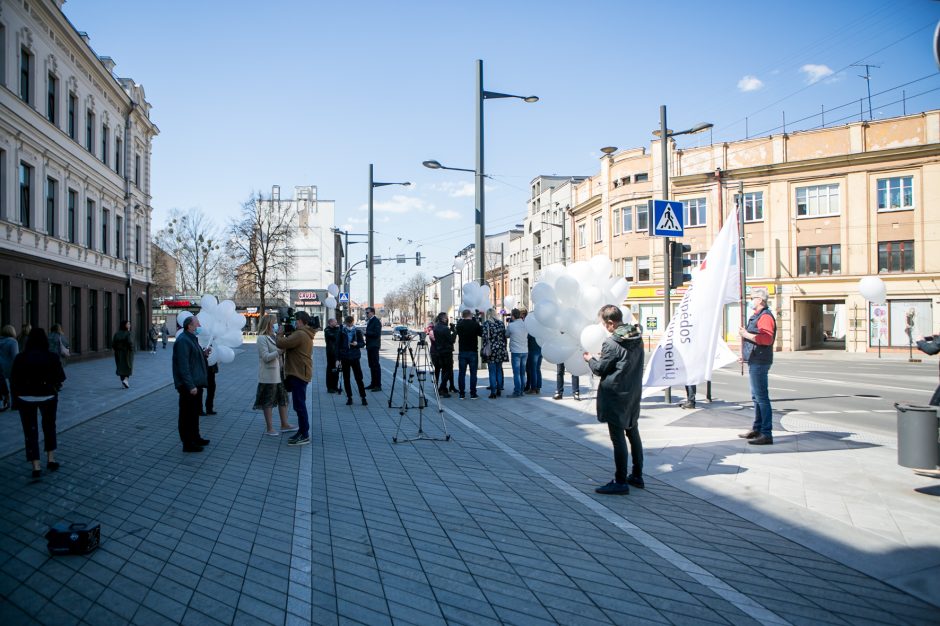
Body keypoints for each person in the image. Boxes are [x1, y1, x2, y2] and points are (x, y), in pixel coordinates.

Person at [584, 305, 645, 495]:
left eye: (604, 324)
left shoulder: (611, 343)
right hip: (632, 392)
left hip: (616, 395)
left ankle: (620, 481)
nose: (604, 327)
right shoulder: (637, 337)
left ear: (611, 323)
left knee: (618, 438)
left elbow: (601, 369)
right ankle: (637, 474)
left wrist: (590, 359)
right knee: (633, 432)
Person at [11, 327, 66, 479]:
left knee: (30, 431)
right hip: (48, 396)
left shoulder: (20, 358)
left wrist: (15, 399)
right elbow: (61, 377)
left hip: (25, 398)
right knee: (49, 426)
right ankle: (51, 459)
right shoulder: (52, 357)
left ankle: (36, 466)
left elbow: (14, 380)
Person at [738, 288, 777, 446]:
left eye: (753, 298)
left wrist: (745, 334)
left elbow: (766, 339)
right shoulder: (758, 315)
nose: (751, 301)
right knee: (756, 397)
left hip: (760, 361)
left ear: (760, 300)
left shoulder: (765, 316)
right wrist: (745, 356)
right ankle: (758, 429)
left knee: (761, 398)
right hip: (756, 359)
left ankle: (766, 433)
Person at [276, 311, 318, 446]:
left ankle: (304, 434)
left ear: (300, 321)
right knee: (299, 404)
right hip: (299, 371)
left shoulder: (300, 334)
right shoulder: (304, 333)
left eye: (295, 320)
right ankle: (302, 431)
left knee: (299, 405)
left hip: (299, 373)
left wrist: (279, 333)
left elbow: (281, 343)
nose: (293, 322)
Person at [254, 314, 297, 436]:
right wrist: (279, 351)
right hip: (269, 374)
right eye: (274, 322)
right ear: (268, 324)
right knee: (268, 401)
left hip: (280, 373)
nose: (277, 325)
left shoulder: (274, 336)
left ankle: (284, 424)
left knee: (283, 400)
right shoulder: (262, 338)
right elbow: (266, 357)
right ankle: (270, 428)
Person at [172, 315, 210, 452]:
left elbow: (192, 358)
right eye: (197, 324)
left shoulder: (191, 339)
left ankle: (196, 437)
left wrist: (203, 354)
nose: (199, 326)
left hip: (195, 384)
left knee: (194, 414)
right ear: (189, 326)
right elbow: (183, 366)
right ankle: (187, 443)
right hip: (189, 386)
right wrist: (190, 385)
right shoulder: (183, 341)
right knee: (187, 415)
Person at [335, 315, 367, 406]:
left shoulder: (357, 331)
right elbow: (337, 346)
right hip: (345, 357)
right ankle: (349, 397)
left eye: (350, 324)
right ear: (345, 323)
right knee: (346, 378)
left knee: (359, 378)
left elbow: (363, 344)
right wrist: (337, 359)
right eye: (348, 324)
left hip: (355, 357)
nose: (349, 325)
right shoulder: (341, 332)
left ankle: (363, 397)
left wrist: (357, 344)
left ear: (353, 322)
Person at [455, 309, 482, 399]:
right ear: (470, 315)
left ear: (463, 315)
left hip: (462, 351)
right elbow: (481, 333)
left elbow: (457, 331)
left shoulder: (459, 324)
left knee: (462, 373)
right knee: (473, 373)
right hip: (473, 351)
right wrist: (477, 322)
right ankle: (473, 393)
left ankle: (461, 393)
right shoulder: (474, 324)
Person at [481, 308, 508, 399]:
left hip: (491, 350)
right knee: (499, 369)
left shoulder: (486, 324)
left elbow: (484, 338)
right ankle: (499, 389)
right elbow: (504, 337)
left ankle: (493, 392)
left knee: (492, 371)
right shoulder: (501, 323)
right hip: (500, 349)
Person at [432, 312, 455, 398]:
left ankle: (443, 388)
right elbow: (451, 340)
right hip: (446, 351)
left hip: (439, 351)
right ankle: (442, 388)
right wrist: (454, 331)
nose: (448, 319)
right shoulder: (445, 328)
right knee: (448, 370)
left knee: (444, 370)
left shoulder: (436, 327)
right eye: (446, 317)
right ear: (443, 319)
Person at [506, 308, 528, 397]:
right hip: (525, 351)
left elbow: (506, 335)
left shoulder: (511, 326)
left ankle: (517, 391)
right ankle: (522, 390)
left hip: (516, 352)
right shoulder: (525, 324)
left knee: (516, 373)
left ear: (513, 316)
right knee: (523, 373)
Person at [0, 325, 19, 411]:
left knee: (2, 385)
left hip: (0, 367)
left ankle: (4, 401)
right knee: (14, 385)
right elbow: (15, 356)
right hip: (11, 367)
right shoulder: (13, 342)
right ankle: (15, 404)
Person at [364, 307, 383, 392]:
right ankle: (373, 383)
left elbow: (376, 334)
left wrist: (366, 333)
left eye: (367, 313)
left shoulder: (376, 321)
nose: (366, 314)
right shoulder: (370, 321)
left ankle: (378, 385)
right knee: (371, 365)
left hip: (374, 346)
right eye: (366, 313)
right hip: (370, 346)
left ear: (372, 313)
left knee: (375, 365)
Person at [112, 320, 135, 389]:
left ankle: (124, 383)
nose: (129, 325)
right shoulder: (128, 333)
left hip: (118, 353)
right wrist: (131, 349)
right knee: (128, 366)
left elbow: (113, 344)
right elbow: (130, 343)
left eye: (129, 324)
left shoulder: (117, 334)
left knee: (120, 367)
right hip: (127, 353)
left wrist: (117, 349)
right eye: (128, 324)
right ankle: (125, 380)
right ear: (124, 325)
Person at [525, 311, 542, 395]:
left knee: (533, 370)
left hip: (533, 350)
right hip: (540, 350)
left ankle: (533, 388)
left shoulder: (531, 328)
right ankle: (538, 387)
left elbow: (527, 338)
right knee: (538, 369)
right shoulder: (540, 326)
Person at [323, 318, 341, 394]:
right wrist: (338, 330)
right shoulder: (327, 330)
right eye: (335, 322)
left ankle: (335, 386)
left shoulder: (336, 329)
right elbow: (334, 337)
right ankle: (330, 387)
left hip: (336, 352)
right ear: (330, 323)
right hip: (330, 353)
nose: (336, 323)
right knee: (330, 370)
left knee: (336, 369)